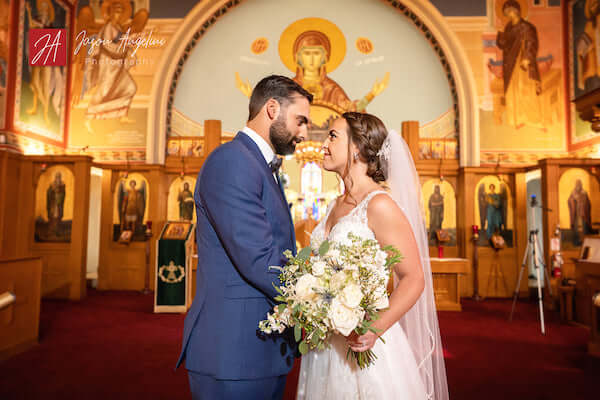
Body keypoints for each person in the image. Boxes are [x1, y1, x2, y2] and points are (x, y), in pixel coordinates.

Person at [176, 75, 312, 400]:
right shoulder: (233, 161)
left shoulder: (258, 165)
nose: (305, 132)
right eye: (301, 120)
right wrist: (324, 296)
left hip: (257, 349)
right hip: (234, 351)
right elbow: (259, 259)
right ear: (272, 108)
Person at [297, 112, 448, 399]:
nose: (323, 145)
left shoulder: (379, 205)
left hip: (364, 344)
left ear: (356, 148)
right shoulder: (334, 204)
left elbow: (413, 278)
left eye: (332, 136)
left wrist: (374, 328)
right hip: (325, 346)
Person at [496, 0, 542, 129]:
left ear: (516, 11)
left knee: (526, 90)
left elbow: (532, 43)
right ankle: (516, 119)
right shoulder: (508, 28)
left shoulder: (527, 27)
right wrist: (500, 34)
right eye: (506, 12)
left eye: (510, 11)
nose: (509, 15)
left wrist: (527, 58)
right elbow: (502, 45)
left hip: (522, 65)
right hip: (510, 65)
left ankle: (531, 118)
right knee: (513, 91)